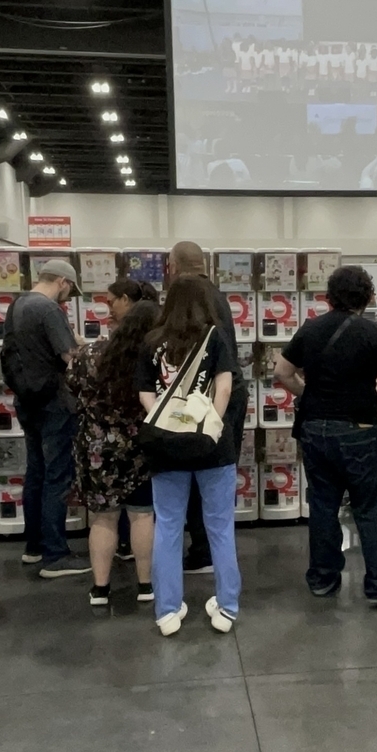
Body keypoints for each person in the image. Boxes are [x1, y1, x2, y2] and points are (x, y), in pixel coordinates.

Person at [275, 265, 377, 606]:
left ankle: (323, 578)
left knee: (322, 504)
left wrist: (305, 392)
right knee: (369, 508)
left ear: (329, 296)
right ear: (366, 296)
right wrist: (373, 395)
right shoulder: (374, 334)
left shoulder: (311, 330)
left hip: (315, 429)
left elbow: (282, 371)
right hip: (360, 431)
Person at [135, 276, 242, 635]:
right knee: (220, 527)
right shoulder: (215, 337)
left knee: (167, 525)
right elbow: (224, 387)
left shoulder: (152, 341)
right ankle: (226, 608)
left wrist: (166, 425)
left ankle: (167, 610)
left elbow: (146, 394)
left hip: (166, 448)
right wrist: (207, 424)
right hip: (211, 447)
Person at [2, 260, 90, 578]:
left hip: (27, 401)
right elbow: (69, 357)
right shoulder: (49, 310)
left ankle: (34, 546)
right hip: (54, 402)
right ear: (63, 282)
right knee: (57, 476)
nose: (68, 297)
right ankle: (56, 555)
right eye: (69, 290)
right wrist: (84, 347)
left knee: (36, 473)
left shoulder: (18, 305)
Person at [71, 300, 159, 606]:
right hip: (139, 446)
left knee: (103, 518)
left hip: (96, 446)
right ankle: (146, 585)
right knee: (142, 515)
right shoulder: (152, 359)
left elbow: (73, 388)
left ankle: (100, 589)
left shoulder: (89, 353)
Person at [166, 241, 246, 575]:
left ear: (173, 265)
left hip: (205, 398)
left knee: (199, 472)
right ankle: (214, 547)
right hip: (228, 392)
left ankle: (203, 550)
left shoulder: (186, 296)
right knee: (219, 474)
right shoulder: (218, 295)